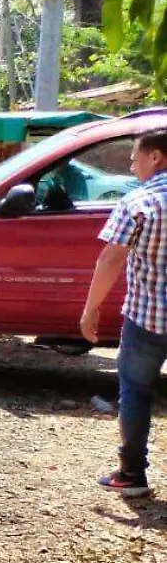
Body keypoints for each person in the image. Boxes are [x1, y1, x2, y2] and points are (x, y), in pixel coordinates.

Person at [82, 131, 167, 495]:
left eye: (135, 158)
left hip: (147, 318)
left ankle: (131, 475)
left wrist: (91, 308)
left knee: (135, 390)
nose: (132, 166)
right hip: (146, 317)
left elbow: (111, 258)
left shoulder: (139, 201)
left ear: (156, 157)